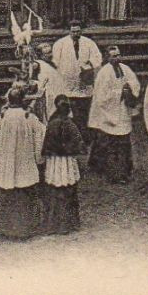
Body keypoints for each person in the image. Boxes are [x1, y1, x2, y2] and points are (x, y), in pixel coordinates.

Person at [0, 87, 45, 240]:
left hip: (5, 163)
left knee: (5, 190)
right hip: (25, 162)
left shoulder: (0, 118)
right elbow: (40, 139)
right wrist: (38, 158)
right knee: (24, 191)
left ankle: (3, 228)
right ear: (23, 100)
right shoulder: (30, 118)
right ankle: (23, 229)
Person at [87, 45, 141, 183]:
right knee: (112, 145)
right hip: (108, 112)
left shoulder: (125, 68)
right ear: (108, 58)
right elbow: (101, 96)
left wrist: (130, 88)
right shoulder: (104, 73)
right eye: (114, 56)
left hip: (122, 111)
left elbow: (134, 82)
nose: (117, 58)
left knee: (124, 142)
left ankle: (125, 170)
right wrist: (119, 93)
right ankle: (115, 174)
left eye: (118, 55)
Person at [40, 96, 84, 235]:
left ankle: (53, 223)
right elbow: (79, 144)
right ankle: (68, 223)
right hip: (67, 162)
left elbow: (46, 146)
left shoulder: (52, 124)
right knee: (69, 189)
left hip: (54, 162)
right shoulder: (71, 124)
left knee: (53, 190)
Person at [51, 24, 101, 132]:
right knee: (71, 111)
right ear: (69, 31)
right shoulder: (60, 44)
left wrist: (89, 65)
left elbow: (97, 58)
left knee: (84, 111)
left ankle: (85, 133)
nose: (75, 34)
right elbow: (55, 61)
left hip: (84, 82)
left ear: (81, 31)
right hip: (67, 81)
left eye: (78, 31)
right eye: (73, 32)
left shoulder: (89, 43)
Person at [27, 40, 66, 123]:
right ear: (41, 54)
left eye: (50, 52)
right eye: (47, 54)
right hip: (46, 95)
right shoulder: (37, 64)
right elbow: (33, 80)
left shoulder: (54, 63)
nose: (50, 55)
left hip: (57, 93)